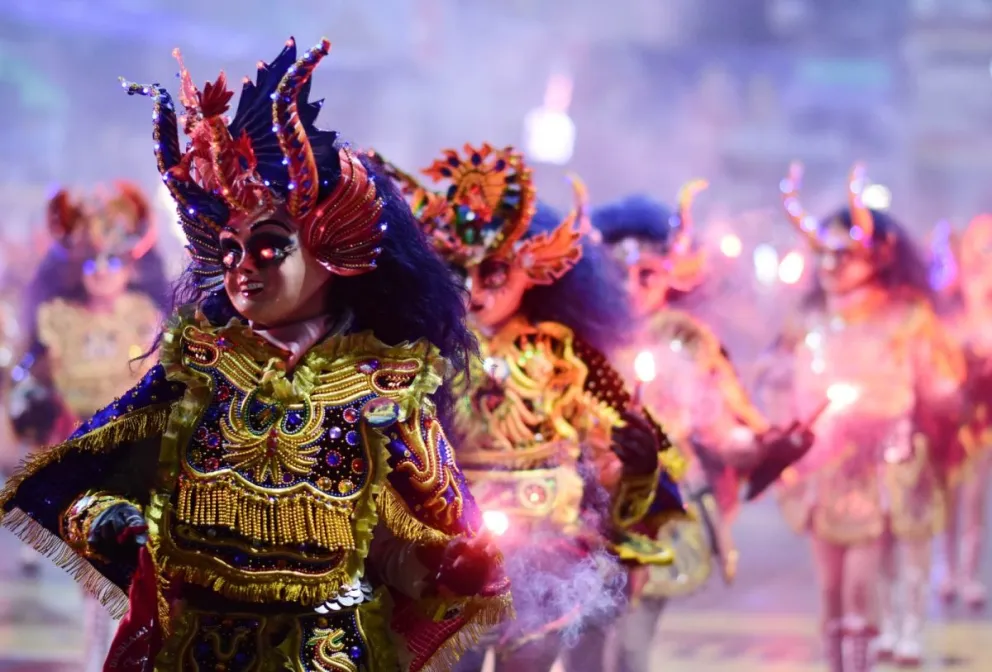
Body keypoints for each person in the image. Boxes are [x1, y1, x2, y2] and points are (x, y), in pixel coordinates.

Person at [0, 37, 510, 671]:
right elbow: (82, 486)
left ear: (334, 249)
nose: (242, 268)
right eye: (231, 249)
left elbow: (391, 555)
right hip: (199, 651)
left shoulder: (381, 388)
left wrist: (447, 568)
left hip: (329, 656)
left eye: (268, 246)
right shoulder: (198, 371)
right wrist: (115, 523)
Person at [372, 143, 685, 672]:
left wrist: (638, 461)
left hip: (549, 543)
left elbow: (629, 441)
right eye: (456, 272)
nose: (473, 290)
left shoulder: (563, 351)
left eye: (492, 272)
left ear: (533, 270)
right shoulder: (425, 349)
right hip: (455, 540)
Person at [590, 186, 813, 672]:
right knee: (583, 641)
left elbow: (720, 430)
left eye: (645, 274)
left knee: (632, 644)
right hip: (586, 506)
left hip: (662, 506)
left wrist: (765, 445)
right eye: (618, 273)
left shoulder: (688, 342)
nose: (631, 286)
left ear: (669, 274)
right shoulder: (575, 336)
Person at [759, 163, 963, 671]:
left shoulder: (908, 319)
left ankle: (871, 655)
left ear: (877, 258)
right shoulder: (805, 319)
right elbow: (779, 379)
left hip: (882, 465)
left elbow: (939, 387)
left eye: (843, 255)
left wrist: (945, 394)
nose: (830, 266)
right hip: (821, 467)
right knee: (829, 589)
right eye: (822, 255)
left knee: (863, 584)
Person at [6, 182, 168, 672]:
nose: (102, 273)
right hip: (74, 451)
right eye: (93, 262)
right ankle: (97, 654)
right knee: (92, 565)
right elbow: (26, 383)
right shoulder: (57, 319)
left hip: (131, 454)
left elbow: (163, 385)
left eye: (114, 262)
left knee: (133, 567)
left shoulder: (145, 318)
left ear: (133, 266)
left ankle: (117, 652)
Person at [932, 214, 992, 608]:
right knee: (948, 495)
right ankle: (946, 569)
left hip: (984, 413)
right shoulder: (944, 300)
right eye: (977, 246)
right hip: (947, 415)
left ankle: (969, 574)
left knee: (974, 496)